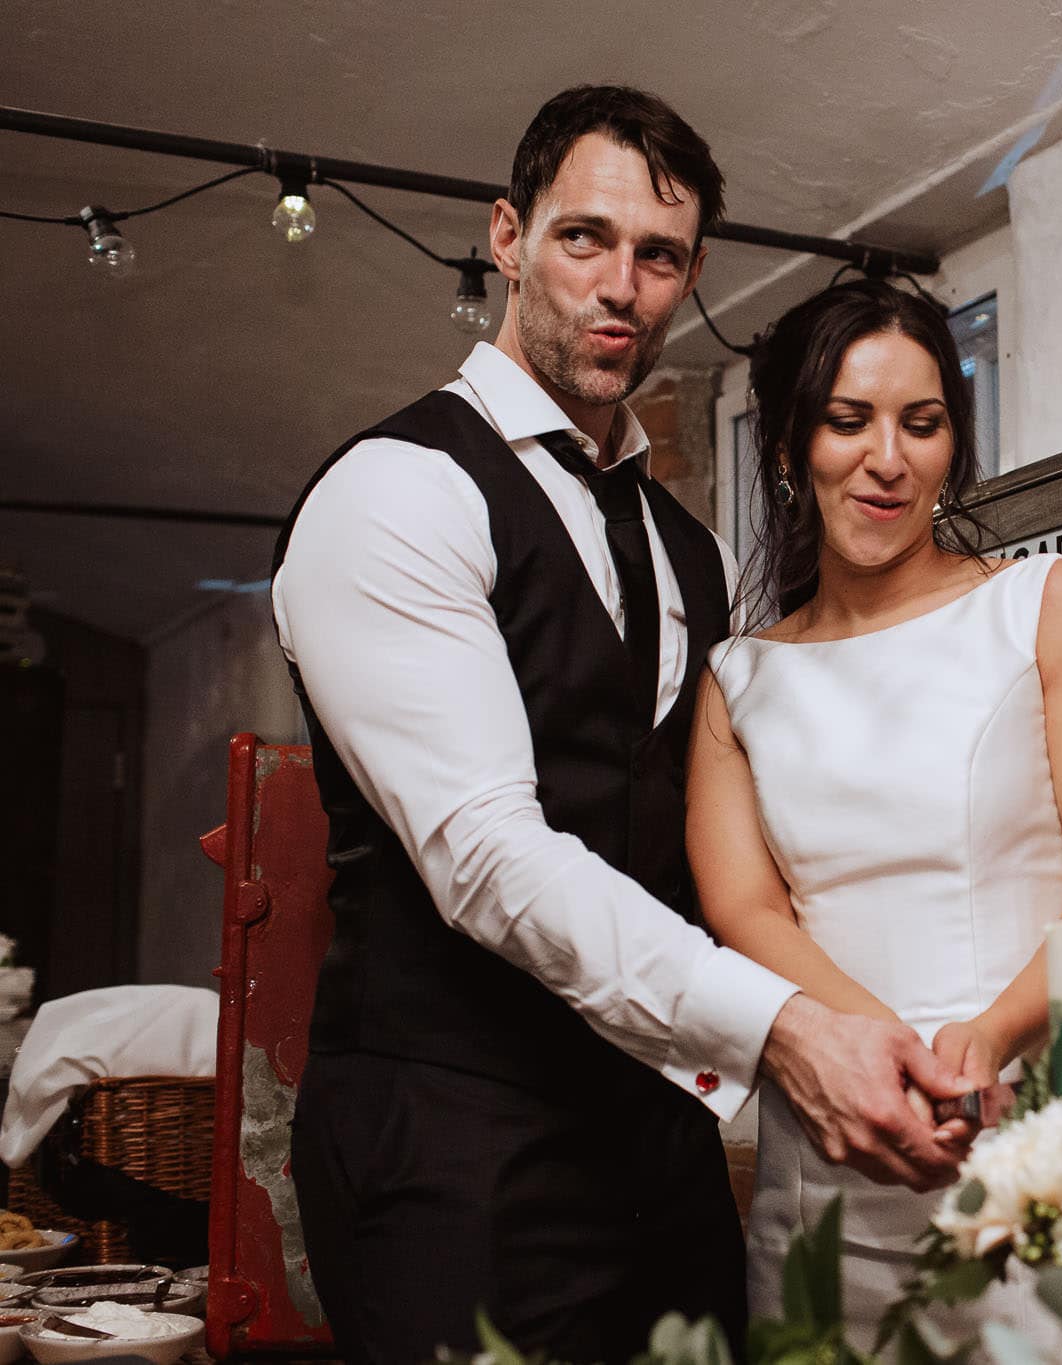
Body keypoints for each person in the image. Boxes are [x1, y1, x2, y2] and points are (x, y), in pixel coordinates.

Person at [270, 88, 972, 1365]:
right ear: (505, 236)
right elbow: (485, 853)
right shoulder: (397, 492)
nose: (619, 286)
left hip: (655, 1148)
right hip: (451, 1140)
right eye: (581, 237)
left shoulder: (688, 551)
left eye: (657, 256)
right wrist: (781, 1032)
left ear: (690, 273)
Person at [686, 279, 1062, 1348]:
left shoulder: (1045, 604)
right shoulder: (737, 677)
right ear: (789, 446)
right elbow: (746, 911)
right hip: (825, 1161)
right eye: (848, 421)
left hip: (1023, 1132)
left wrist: (984, 1040)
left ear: (951, 447)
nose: (888, 458)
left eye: (920, 424)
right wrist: (880, 1053)